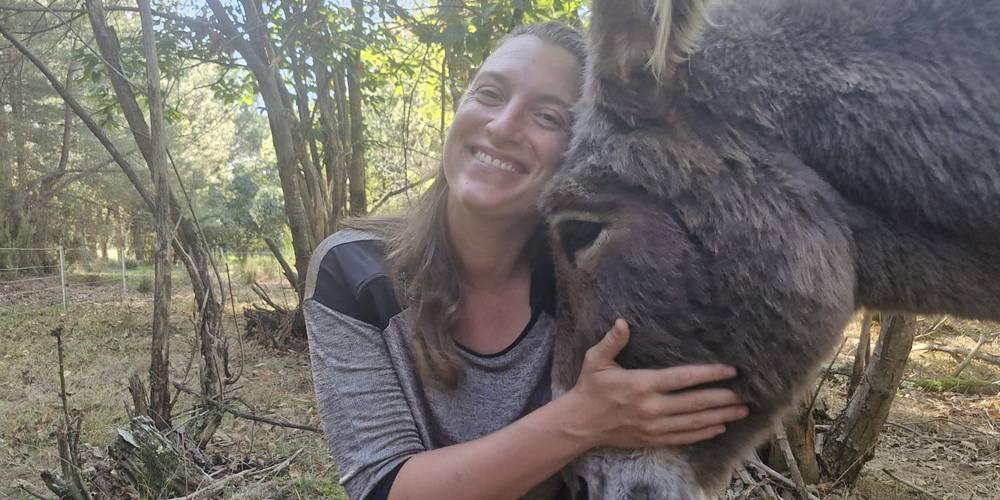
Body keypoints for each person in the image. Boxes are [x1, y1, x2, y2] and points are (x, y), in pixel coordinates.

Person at [304, 22, 748, 500]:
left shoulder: (595, 281)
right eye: (490, 93)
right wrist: (584, 417)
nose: (502, 127)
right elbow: (382, 488)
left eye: (548, 117)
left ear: (578, 154)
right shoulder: (352, 269)